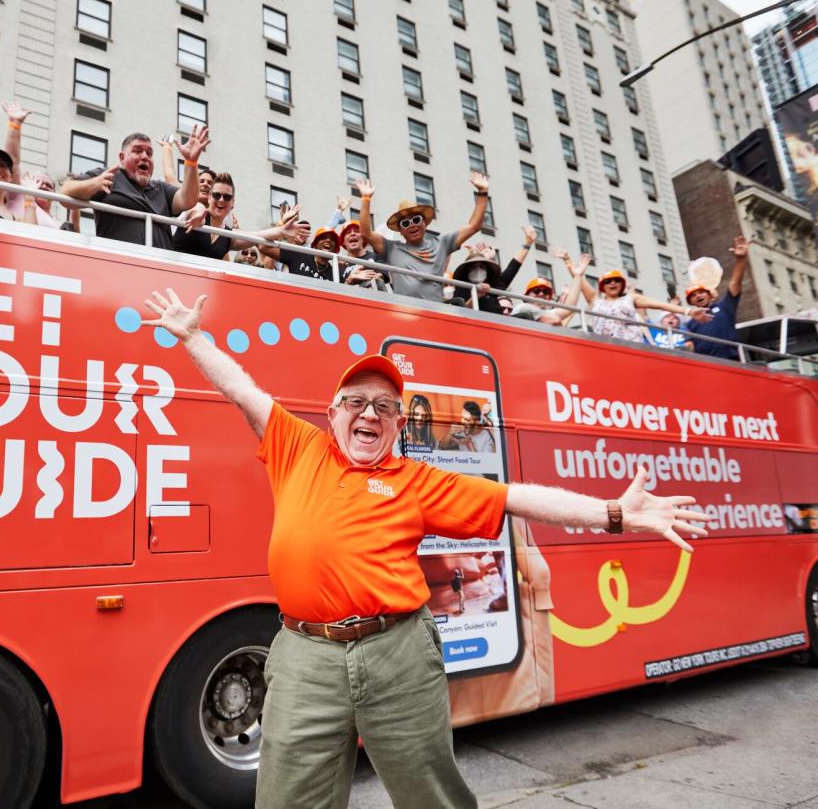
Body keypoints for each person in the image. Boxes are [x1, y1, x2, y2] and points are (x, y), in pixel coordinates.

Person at [138, 287, 707, 809]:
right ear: (332, 413)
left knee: (430, 794)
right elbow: (240, 387)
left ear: (397, 425)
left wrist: (613, 513)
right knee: (289, 799)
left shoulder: (415, 479)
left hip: (397, 654)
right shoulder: (297, 446)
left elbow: (517, 496)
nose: (369, 414)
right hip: (305, 656)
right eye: (357, 402)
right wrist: (191, 336)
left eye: (385, 407)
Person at [59, 128, 209, 249]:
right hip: (122, 266)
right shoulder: (108, 176)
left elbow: (188, 200)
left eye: (149, 153)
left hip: (161, 270)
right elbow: (66, 192)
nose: (145, 157)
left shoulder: (161, 189)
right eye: (138, 151)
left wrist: (191, 162)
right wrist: (95, 184)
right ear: (122, 157)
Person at [355, 173, 490, 302]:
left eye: (416, 219)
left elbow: (474, 226)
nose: (412, 225)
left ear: (424, 223)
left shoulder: (441, 244)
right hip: (405, 313)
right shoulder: (392, 248)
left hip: (434, 313)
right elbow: (366, 233)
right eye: (405, 223)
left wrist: (483, 192)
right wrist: (366, 199)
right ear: (401, 231)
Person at [171, 172, 306, 259]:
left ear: (233, 203)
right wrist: (199, 214)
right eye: (217, 195)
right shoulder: (196, 208)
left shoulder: (229, 236)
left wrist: (282, 230)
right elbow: (197, 209)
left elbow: (258, 235)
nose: (221, 200)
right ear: (209, 198)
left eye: (227, 197)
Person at [579, 269, 709, 344]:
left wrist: (688, 311)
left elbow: (659, 305)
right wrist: (569, 262)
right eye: (608, 281)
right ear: (602, 286)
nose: (613, 283)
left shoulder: (630, 298)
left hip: (632, 347)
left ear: (622, 284)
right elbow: (578, 277)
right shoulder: (595, 300)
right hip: (605, 348)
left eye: (617, 280)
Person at [683, 235, 749, 359]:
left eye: (701, 292)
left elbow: (735, 283)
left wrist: (741, 259)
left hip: (733, 363)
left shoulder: (725, 307)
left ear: (709, 295)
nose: (698, 296)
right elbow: (689, 345)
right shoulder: (690, 323)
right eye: (693, 295)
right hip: (706, 368)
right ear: (691, 302)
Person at [452, 225, 537, 313]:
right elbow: (460, 312)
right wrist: (476, 295)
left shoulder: (492, 287)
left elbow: (513, 268)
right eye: (474, 267)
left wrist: (528, 244)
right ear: (467, 270)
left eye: (482, 266)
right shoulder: (462, 287)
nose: (478, 270)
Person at [511, 250, 591, 327]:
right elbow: (556, 320)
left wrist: (578, 276)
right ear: (526, 296)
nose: (541, 294)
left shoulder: (545, 313)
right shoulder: (523, 307)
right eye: (536, 291)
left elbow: (569, 308)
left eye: (545, 292)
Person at [337, 220, 386, 289]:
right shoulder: (340, 267)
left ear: (363, 238)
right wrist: (350, 279)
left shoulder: (376, 256)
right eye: (348, 232)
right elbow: (338, 292)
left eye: (357, 231)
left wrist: (374, 278)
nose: (352, 234)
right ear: (343, 242)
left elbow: (386, 276)